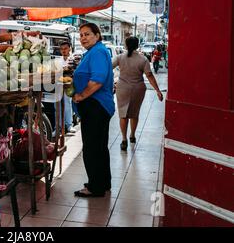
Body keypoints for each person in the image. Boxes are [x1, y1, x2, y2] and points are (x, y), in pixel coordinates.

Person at [72, 23, 115, 198]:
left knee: (92, 148)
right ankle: (103, 182)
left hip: (95, 105)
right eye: (81, 35)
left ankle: (95, 187)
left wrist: (81, 96)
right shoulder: (95, 51)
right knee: (99, 147)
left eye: (87, 34)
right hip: (97, 106)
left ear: (97, 35)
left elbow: (97, 80)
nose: (83, 38)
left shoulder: (97, 52)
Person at [112, 37, 163, 151]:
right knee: (134, 113)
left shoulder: (120, 57)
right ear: (137, 45)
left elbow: (108, 67)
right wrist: (157, 90)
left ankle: (124, 139)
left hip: (122, 88)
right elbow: (149, 75)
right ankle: (132, 136)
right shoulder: (143, 59)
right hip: (137, 89)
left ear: (125, 45)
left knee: (123, 114)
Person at [55, 41, 76, 134]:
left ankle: (69, 125)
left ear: (69, 49)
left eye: (65, 48)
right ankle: (58, 127)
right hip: (58, 85)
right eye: (62, 49)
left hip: (69, 85)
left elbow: (72, 69)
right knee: (57, 106)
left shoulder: (73, 59)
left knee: (67, 104)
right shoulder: (57, 60)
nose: (64, 51)